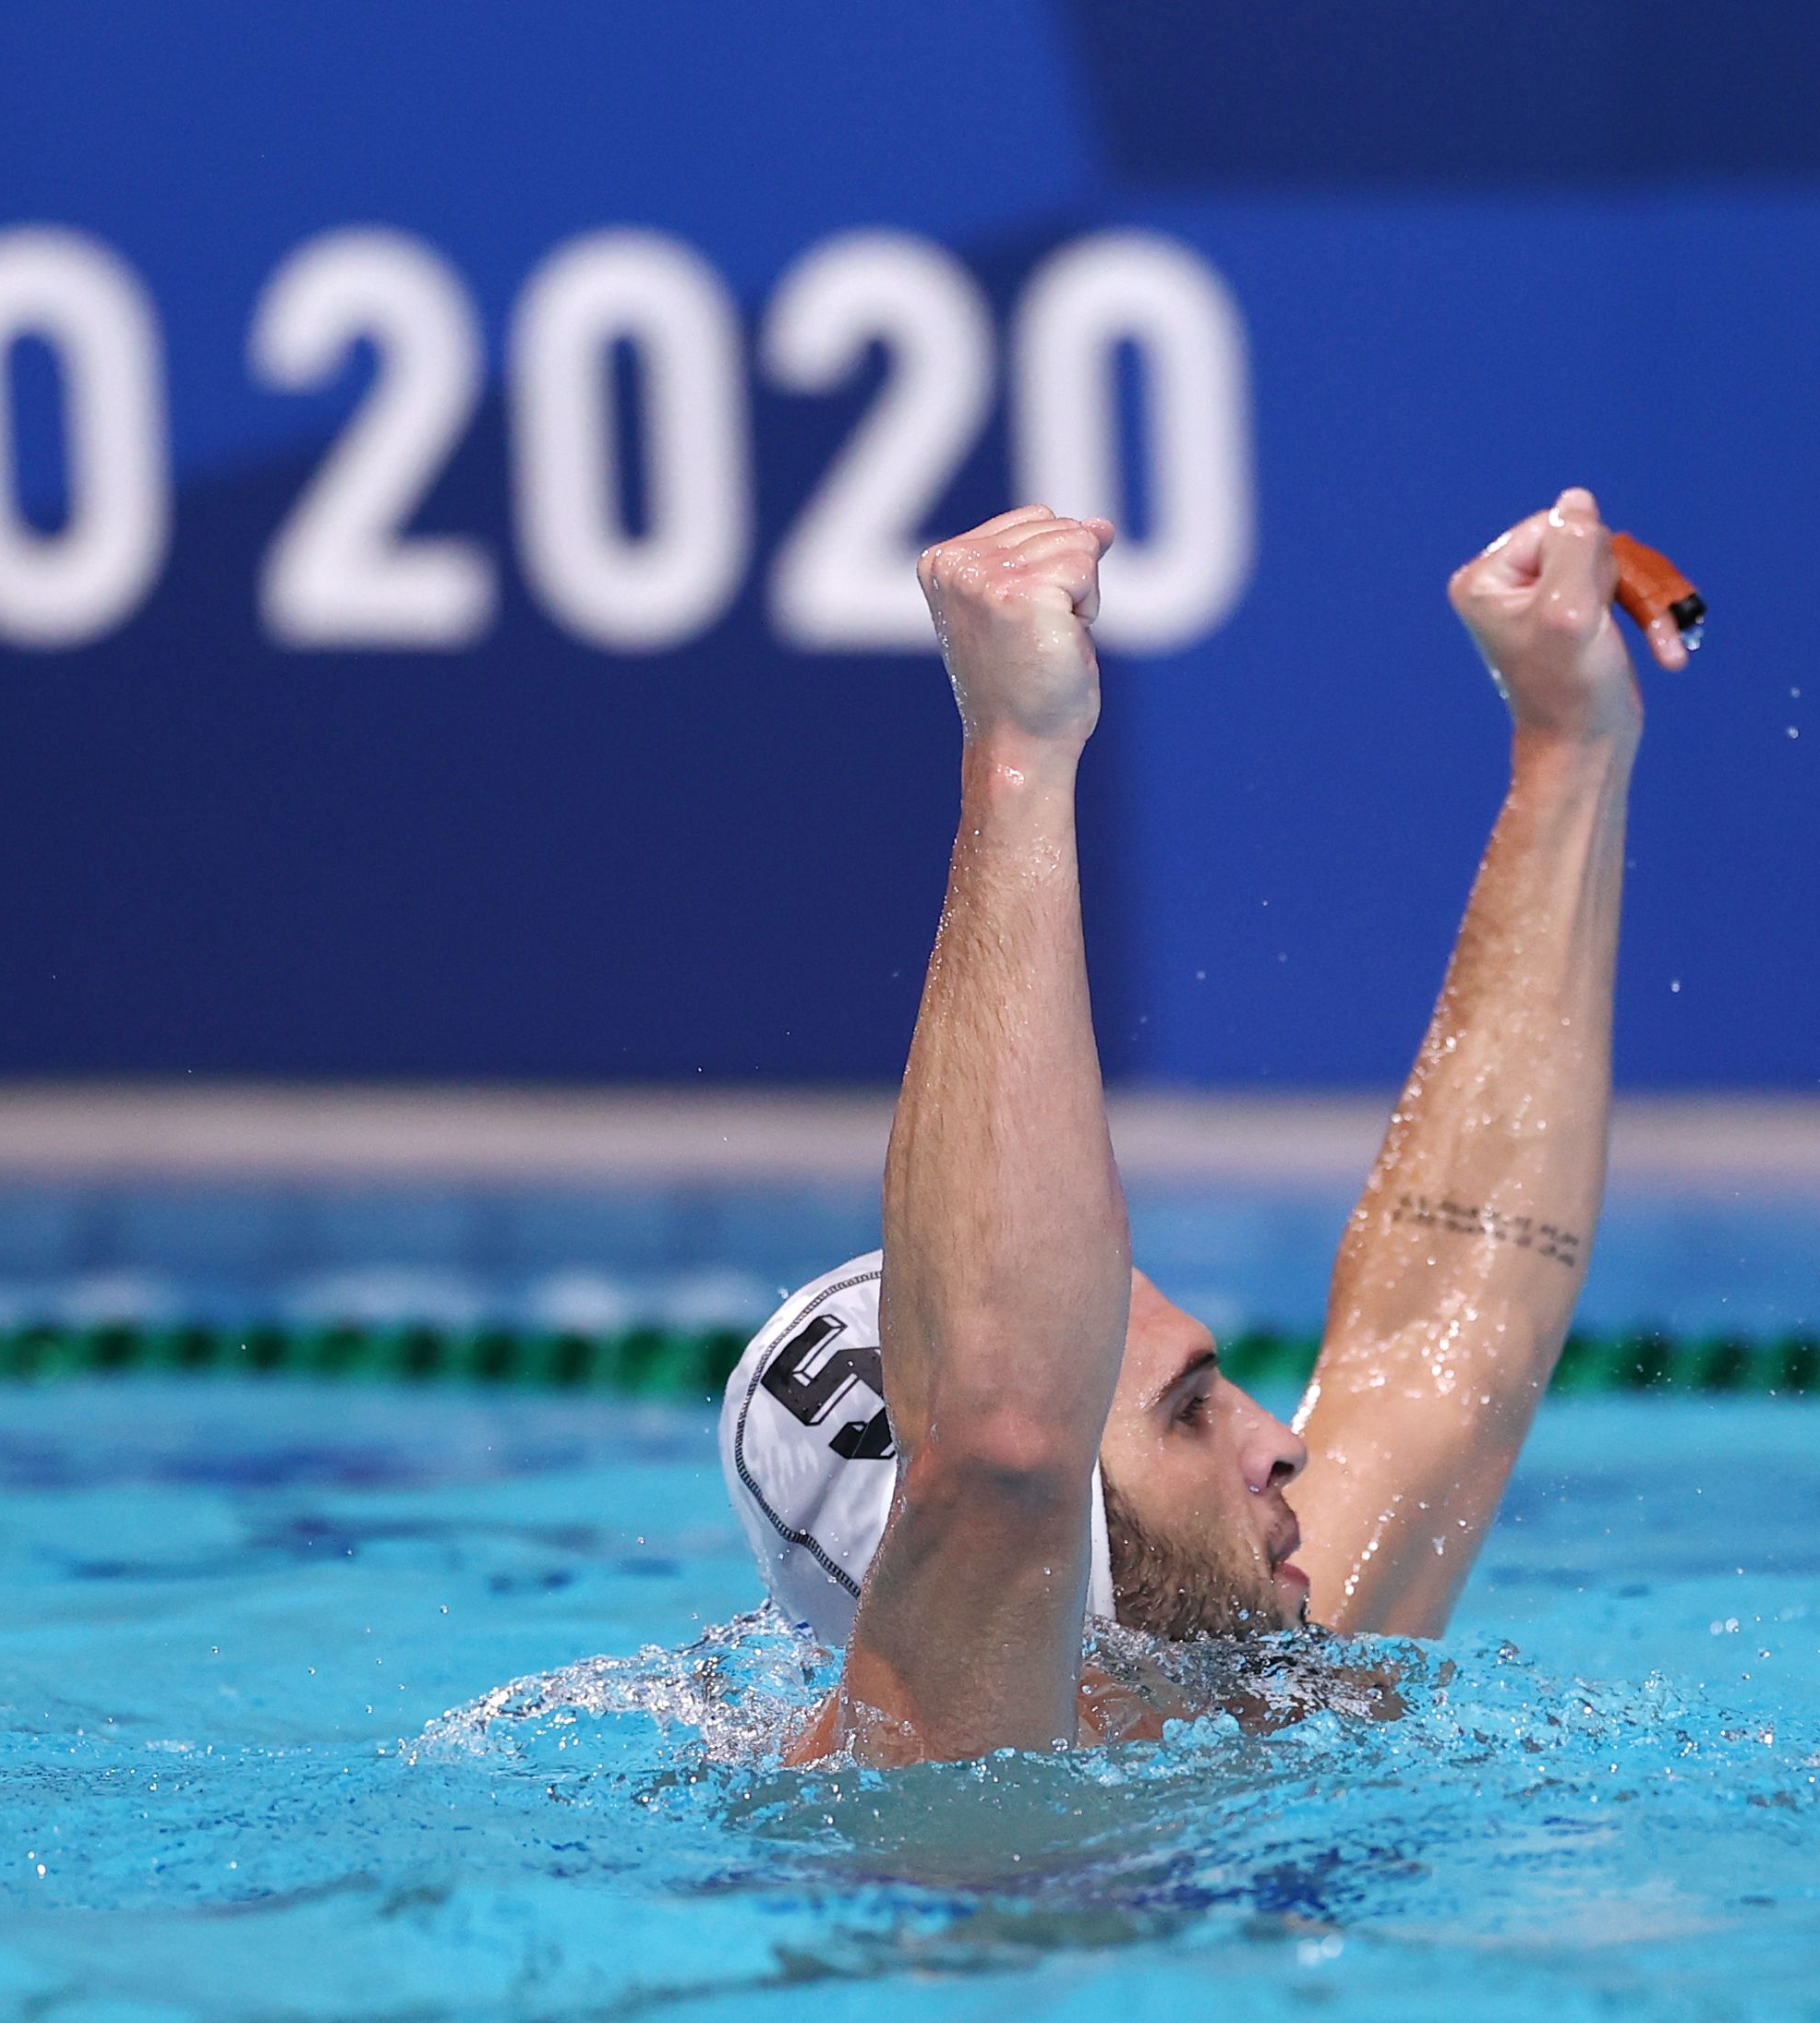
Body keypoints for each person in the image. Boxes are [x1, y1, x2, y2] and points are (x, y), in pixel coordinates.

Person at [719, 488, 1687, 1766]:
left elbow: (1439, 1352)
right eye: (1186, 1414)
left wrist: (1570, 745)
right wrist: (1018, 748)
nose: (1283, 1443)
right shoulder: (927, 1797)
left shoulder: (1224, 1694)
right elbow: (1000, 1446)